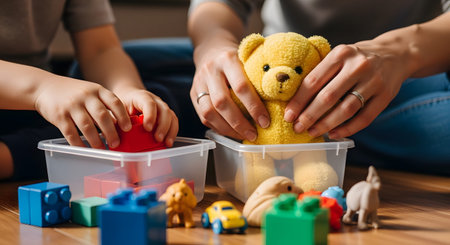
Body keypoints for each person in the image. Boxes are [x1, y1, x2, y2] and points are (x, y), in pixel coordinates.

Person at [187, 0, 450, 170]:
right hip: (262, 66)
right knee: (149, 71)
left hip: (410, 73)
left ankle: (323, 134)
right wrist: (212, 48)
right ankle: (329, 142)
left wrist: (402, 51)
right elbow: (218, 5)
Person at [0, 0, 178, 180]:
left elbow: (100, 48)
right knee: (79, 135)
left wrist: (126, 92)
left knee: (155, 107)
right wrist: (42, 88)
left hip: (36, 108)